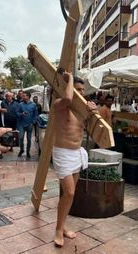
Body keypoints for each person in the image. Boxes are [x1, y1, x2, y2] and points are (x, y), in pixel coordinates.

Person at [52, 73, 97, 247]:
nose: (81, 93)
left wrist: (93, 112)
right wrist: (69, 78)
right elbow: (69, 99)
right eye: (77, 90)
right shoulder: (59, 104)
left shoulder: (82, 107)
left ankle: (62, 226)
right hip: (63, 153)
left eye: (83, 90)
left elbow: (87, 129)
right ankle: (57, 229)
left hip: (77, 153)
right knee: (69, 192)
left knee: (69, 195)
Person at [16, 91, 38, 159]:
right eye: (23, 96)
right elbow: (16, 113)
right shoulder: (20, 104)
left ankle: (28, 152)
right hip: (21, 124)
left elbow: (36, 115)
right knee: (21, 138)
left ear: (28, 97)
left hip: (29, 124)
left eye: (24, 96)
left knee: (29, 139)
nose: (23, 97)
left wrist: (33, 122)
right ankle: (22, 150)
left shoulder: (34, 105)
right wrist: (21, 114)